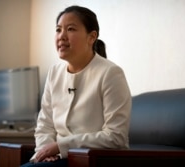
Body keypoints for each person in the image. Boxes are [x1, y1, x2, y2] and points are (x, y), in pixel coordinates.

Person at [20, 5, 131, 167]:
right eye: (58, 30)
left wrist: (59, 146)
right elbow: (45, 125)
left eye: (70, 29)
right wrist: (45, 151)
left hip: (93, 160)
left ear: (91, 37)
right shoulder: (54, 72)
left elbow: (116, 136)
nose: (61, 36)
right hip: (59, 158)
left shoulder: (111, 73)